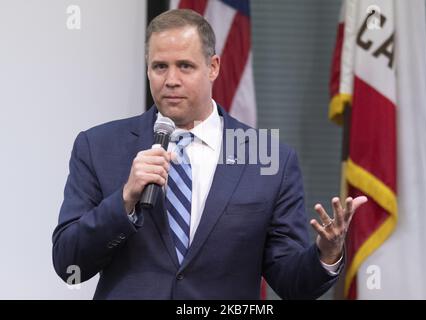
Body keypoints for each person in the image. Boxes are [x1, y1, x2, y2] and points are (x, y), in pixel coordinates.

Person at [52, 9, 367, 300]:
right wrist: (123, 201)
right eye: (160, 66)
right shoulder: (99, 146)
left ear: (213, 67)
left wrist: (326, 253)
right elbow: (69, 264)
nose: (171, 80)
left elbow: (292, 284)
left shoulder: (268, 156)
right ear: (148, 69)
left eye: (185, 66)